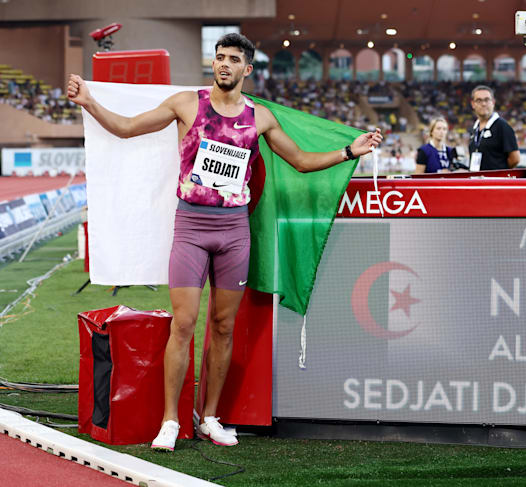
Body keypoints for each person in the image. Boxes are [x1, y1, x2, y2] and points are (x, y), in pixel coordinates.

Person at [66, 33, 382, 451]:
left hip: (234, 232)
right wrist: (88, 100)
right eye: (219, 58)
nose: (224, 65)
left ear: (247, 69)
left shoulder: (260, 118)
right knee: (184, 323)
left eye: (233, 59)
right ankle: (170, 421)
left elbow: (302, 162)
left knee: (223, 327)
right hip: (192, 229)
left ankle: (210, 417)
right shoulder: (186, 104)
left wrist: (349, 150)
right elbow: (126, 129)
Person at [467, 85, 519, 171]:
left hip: (495, 182)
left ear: (493, 102)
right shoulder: (474, 128)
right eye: (479, 100)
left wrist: (498, 171)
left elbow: (515, 159)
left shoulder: (502, 126)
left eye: (487, 100)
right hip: (477, 180)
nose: (483, 104)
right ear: (473, 104)